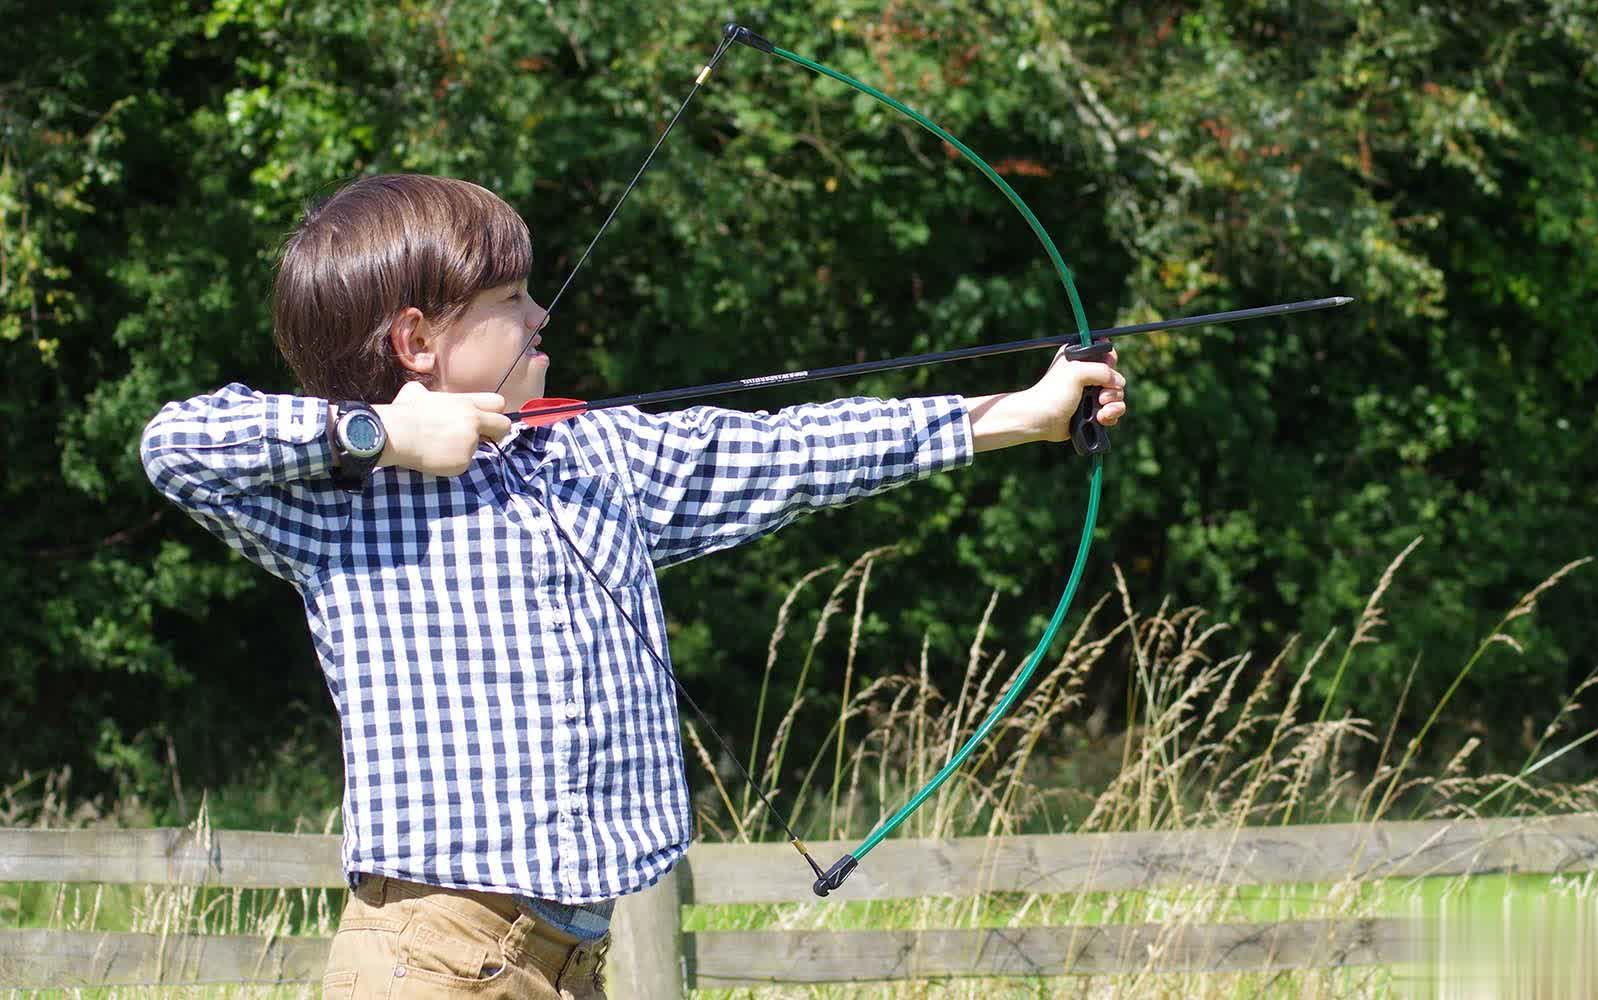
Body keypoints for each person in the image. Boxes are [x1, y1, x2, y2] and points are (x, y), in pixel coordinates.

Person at [139, 173, 1126, 997]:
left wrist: (1023, 414)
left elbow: (793, 450)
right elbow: (176, 444)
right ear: (417, 340)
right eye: (512, 299)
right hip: (427, 955)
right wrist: (382, 432)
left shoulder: (592, 457)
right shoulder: (341, 501)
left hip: (572, 961)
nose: (541, 313)